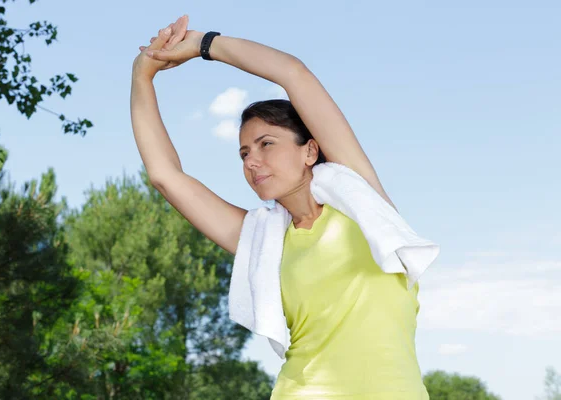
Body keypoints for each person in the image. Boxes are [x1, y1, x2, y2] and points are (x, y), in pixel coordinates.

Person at [131, 14, 430, 400]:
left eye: (265, 144)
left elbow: (293, 73)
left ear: (310, 150)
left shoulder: (361, 200)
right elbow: (165, 176)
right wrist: (143, 75)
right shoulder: (263, 238)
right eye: (243, 152)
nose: (251, 161)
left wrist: (202, 44)